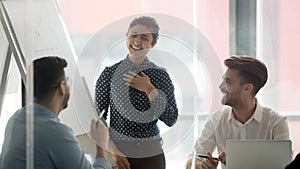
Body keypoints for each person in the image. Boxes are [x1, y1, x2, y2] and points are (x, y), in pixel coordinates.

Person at [95, 16, 178, 169]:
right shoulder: (109, 74)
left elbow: (171, 118)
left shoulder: (160, 75)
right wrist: (113, 151)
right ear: (126, 36)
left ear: (153, 44)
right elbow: (98, 118)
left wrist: (149, 89)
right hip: (119, 155)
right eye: (133, 35)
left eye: (144, 38)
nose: (137, 42)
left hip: (151, 155)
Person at [0, 56, 112, 169]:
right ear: (62, 87)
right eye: (67, 81)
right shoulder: (56, 133)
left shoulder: (16, 118)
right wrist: (101, 145)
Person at [186, 56, 290, 169]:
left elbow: (285, 165)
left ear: (247, 88)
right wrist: (200, 165)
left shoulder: (276, 123)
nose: (221, 87)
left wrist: (239, 161)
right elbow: (192, 160)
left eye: (228, 82)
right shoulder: (215, 121)